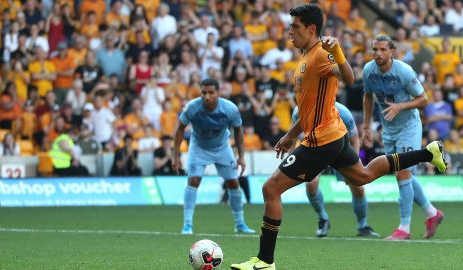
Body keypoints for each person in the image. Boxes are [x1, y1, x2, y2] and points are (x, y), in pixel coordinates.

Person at [231, 5, 447, 270]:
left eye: (295, 27)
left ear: (311, 29)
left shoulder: (321, 54)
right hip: (332, 135)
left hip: (321, 141)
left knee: (270, 188)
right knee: (364, 175)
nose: (289, 32)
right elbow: (310, 109)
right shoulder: (307, 56)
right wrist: (290, 135)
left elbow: (348, 76)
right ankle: (429, 152)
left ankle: (265, 261)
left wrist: (338, 52)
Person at [362, 34, 444, 240]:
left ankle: (404, 228)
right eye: (375, 50)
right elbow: (367, 96)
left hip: (409, 126)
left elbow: (423, 99)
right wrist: (366, 127)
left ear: (392, 51)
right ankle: (433, 214)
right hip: (389, 129)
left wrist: (401, 106)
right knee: (403, 173)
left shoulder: (404, 72)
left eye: (382, 50)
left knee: (402, 173)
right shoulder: (368, 71)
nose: (378, 54)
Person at [173, 78, 255, 235]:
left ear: (218, 93)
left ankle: (240, 224)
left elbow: (238, 131)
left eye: (211, 92)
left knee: (233, 182)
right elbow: (179, 129)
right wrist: (175, 156)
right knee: (193, 180)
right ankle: (187, 224)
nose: (207, 96)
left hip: (222, 147)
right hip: (199, 147)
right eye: (204, 92)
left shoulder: (230, 109)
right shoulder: (192, 107)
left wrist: (241, 156)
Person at [292, 103, 379, 238]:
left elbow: (355, 141)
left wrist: (354, 166)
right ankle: (323, 219)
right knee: (311, 184)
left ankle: (363, 226)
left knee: (358, 187)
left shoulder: (343, 112)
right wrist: (291, 157)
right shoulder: (299, 111)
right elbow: (295, 136)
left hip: (341, 150)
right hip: (315, 150)